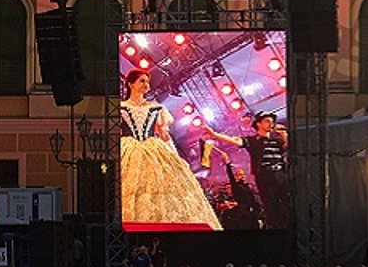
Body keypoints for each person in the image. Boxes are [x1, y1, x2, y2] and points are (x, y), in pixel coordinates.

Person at [119, 70, 223, 230]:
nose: (146, 85)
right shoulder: (120, 107)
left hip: (153, 147)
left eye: (147, 81)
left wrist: (174, 156)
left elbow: (164, 134)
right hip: (128, 147)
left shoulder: (156, 108)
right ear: (130, 83)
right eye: (141, 81)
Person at [204, 111, 290, 228]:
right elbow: (234, 140)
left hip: (281, 173)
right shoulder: (252, 140)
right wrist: (214, 134)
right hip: (265, 175)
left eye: (272, 122)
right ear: (258, 124)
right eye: (267, 121)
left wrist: (285, 137)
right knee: (271, 205)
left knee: (287, 202)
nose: (271, 124)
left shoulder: (277, 141)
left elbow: (287, 150)